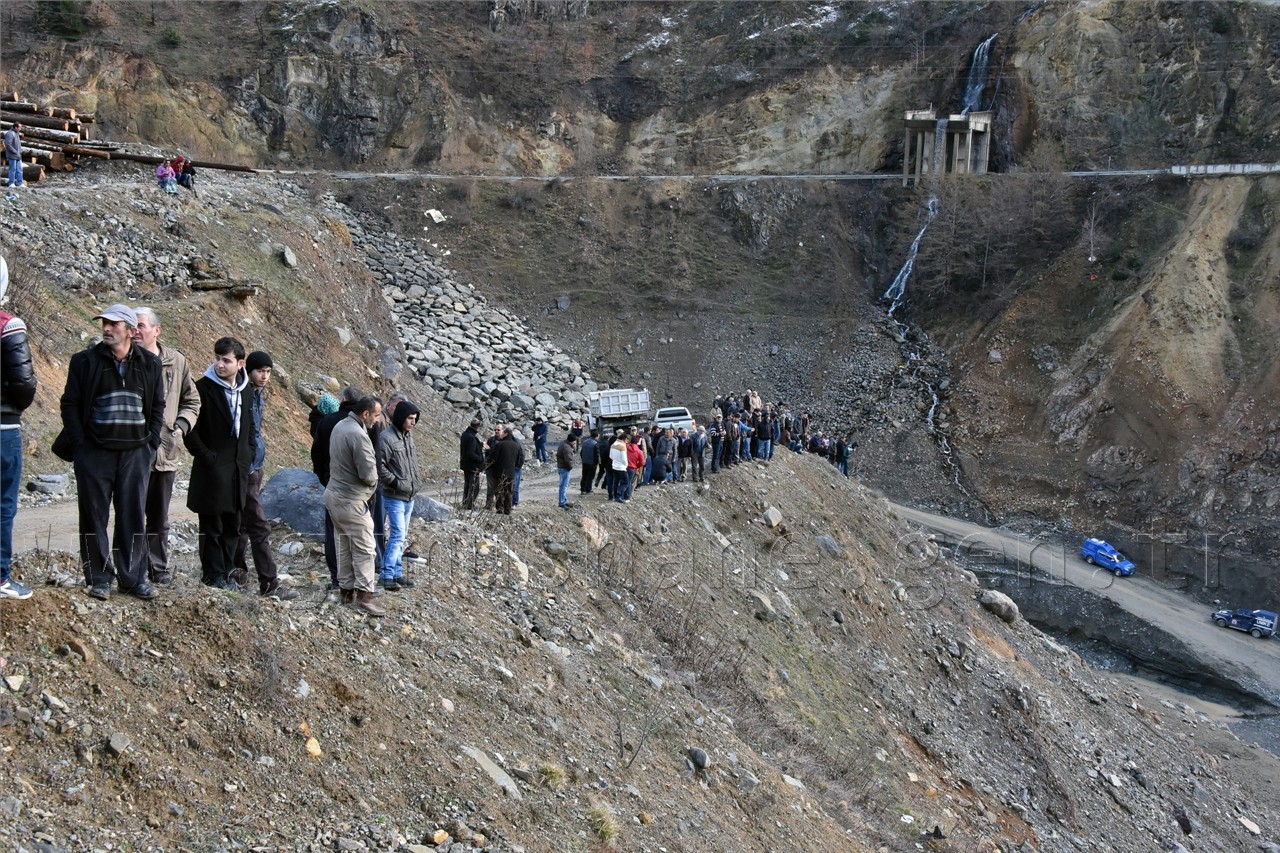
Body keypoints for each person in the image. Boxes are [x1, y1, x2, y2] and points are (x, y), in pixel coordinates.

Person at [55, 304, 164, 601]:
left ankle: (133, 579)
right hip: (95, 453)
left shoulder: (150, 364)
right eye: (104, 322)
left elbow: (157, 405)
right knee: (93, 516)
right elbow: (70, 403)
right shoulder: (84, 361)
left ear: (130, 330)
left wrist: (151, 442)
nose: (106, 328)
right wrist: (80, 444)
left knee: (133, 516)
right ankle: (99, 578)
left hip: (135, 453)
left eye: (114, 324)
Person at [133, 307, 201, 587]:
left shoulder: (176, 361)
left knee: (159, 517)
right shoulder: (124, 359)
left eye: (140, 325)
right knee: (131, 514)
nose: (135, 330)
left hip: (165, 451)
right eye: (132, 325)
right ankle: (133, 570)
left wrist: (180, 426)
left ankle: (158, 568)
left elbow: (192, 400)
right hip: (131, 451)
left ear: (156, 330)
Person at [184, 337, 253, 590]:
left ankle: (226, 571)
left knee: (233, 525)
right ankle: (212, 575)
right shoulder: (202, 388)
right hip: (212, 469)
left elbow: (250, 425)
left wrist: (248, 454)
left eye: (226, 360)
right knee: (211, 525)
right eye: (217, 358)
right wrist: (206, 456)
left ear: (240, 363)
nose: (219, 364)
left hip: (237, 469)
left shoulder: (246, 389)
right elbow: (191, 429)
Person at [231, 351, 297, 600]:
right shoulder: (243, 393)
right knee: (259, 525)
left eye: (268, 372)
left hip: (256, 466)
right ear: (249, 370)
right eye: (260, 371)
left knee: (243, 525)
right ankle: (269, 583)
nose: (265, 376)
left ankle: (237, 575)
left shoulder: (258, 394)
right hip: (246, 468)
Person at [326, 396, 385, 616]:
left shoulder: (340, 426)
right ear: (365, 414)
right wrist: (373, 483)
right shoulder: (359, 435)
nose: (377, 420)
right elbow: (368, 474)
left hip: (334, 494)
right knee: (365, 548)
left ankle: (346, 591)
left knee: (343, 544)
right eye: (376, 415)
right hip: (351, 499)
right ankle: (364, 597)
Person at [0, 257, 35, 599]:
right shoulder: (8, 325)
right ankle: (0, 576)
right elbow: (23, 384)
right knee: (2, 504)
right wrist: (13, 408)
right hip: (2, 429)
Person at [312, 386, 363, 588]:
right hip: (358, 488)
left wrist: (323, 477)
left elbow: (316, 454)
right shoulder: (364, 422)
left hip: (333, 483)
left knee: (334, 531)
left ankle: (337, 578)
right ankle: (359, 578)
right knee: (359, 532)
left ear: (343, 399)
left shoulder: (327, 421)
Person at [377, 398, 421, 591]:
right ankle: (386, 575)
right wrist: (395, 482)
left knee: (401, 537)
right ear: (401, 417)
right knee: (397, 535)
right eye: (410, 418)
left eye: (415, 419)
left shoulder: (407, 436)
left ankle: (397, 573)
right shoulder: (386, 438)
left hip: (409, 495)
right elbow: (379, 466)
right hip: (394, 495)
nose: (413, 422)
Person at [490, 424, 520, 514]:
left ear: (506, 434)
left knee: (499, 490)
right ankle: (508, 509)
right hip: (511, 472)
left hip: (499, 472)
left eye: (503, 433)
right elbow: (518, 459)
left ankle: (500, 508)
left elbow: (494, 458)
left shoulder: (500, 444)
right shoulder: (516, 446)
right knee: (509, 491)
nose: (501, 434)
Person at [459, 417, 485, 510]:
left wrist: (480, 445)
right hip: (472, 467)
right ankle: (469, 505)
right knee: (474, 487)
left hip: (466, 465)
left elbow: (469, 448)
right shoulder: (471, 437)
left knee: (467, 485)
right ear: (478, 427)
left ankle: (465, 503)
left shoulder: (465, 434)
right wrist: (480, 459)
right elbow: (470, 453)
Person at [556, 434, 577, 509]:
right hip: (564, 468)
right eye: (574, 441)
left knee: (563, 485)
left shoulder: (563, 444)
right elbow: (568, 460)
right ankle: (562, 502)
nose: (575, 442)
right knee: (563, 486)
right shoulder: (567, 448)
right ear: (572, 441)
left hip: (561, 466)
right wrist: (570, 467)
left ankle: (564, 500)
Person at [4, 123, 23, 199]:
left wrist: (19, 152)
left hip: (18, 155)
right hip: (12, 155)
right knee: (13, 169)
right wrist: (15, 152)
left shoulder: (16, 133)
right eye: (19, 127)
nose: (20, 129)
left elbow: (18, 144)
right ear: (15, 127)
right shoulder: (10, 133)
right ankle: (11, 183)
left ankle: (20, 183)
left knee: (19, 169)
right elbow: (8, 145)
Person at [579, 430, 598, 495]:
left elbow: (581, 453)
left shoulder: (584, 442)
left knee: (584, 476)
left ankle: (583, 489)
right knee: (590, 477)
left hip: (585, 462)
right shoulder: (595, 443)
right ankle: (588, 490)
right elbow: (596, 455)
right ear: (597, 436)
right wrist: (596, 463)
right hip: (592, 463)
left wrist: (583, 459)